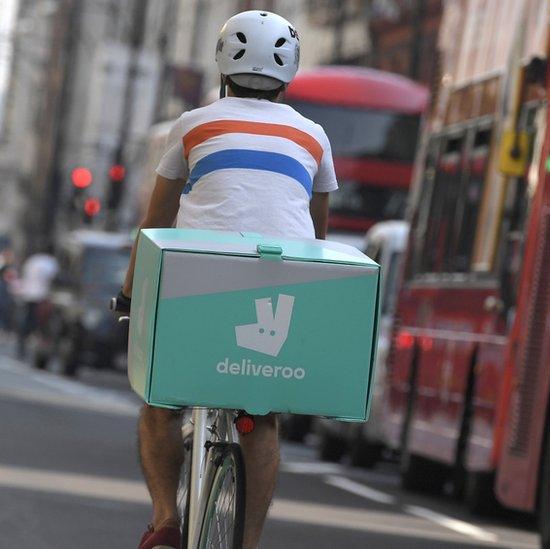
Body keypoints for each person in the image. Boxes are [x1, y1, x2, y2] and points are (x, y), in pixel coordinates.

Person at [119, 11, 337, 549]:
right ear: (289, 73)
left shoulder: (194, 124)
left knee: (160, 402)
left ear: (223, 65)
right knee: (261, 420)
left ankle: (166, 521)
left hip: (199, 280)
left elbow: (157, 223)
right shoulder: (313, 137)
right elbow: (317, 232)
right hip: (280, 284)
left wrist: (129, 293)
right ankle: (248, 543)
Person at [16, 244, 58, 358]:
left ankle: (21, 346)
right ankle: (40, 347)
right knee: (41, 324)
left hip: (28, 294)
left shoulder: (32, 260)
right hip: (42, 297)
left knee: (27, 321)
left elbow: (24, 275)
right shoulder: (51, 263)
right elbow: (52, 280)